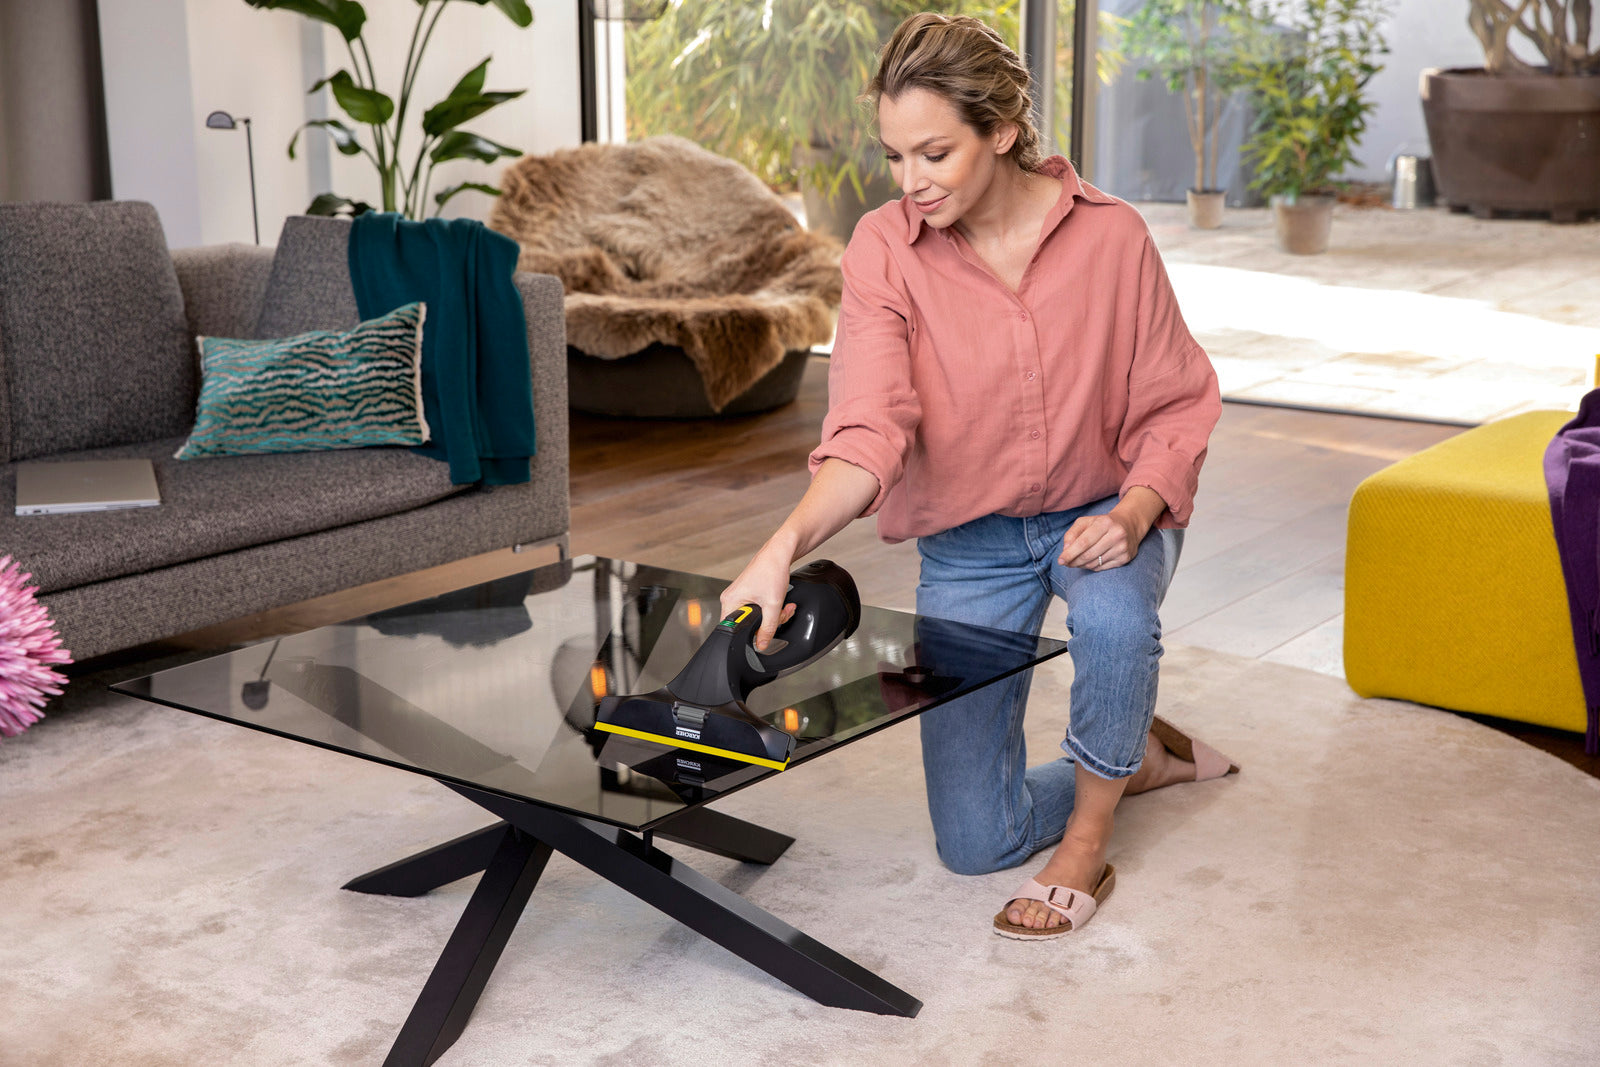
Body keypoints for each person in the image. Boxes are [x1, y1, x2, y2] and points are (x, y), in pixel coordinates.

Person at [720, 12, 1233, 940]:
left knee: (1115, 618)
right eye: (894, 156)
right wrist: (780, 545)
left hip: (1104, 506)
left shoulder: (1113, 239)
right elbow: (868, 429)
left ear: (1000, 131)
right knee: (973, 841)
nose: (910, 182)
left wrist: (1133, 513)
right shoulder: (884, 249)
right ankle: (1138, 760)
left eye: (935, 154)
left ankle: (1087, 838)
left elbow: (1176, 402)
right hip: (970, 541)